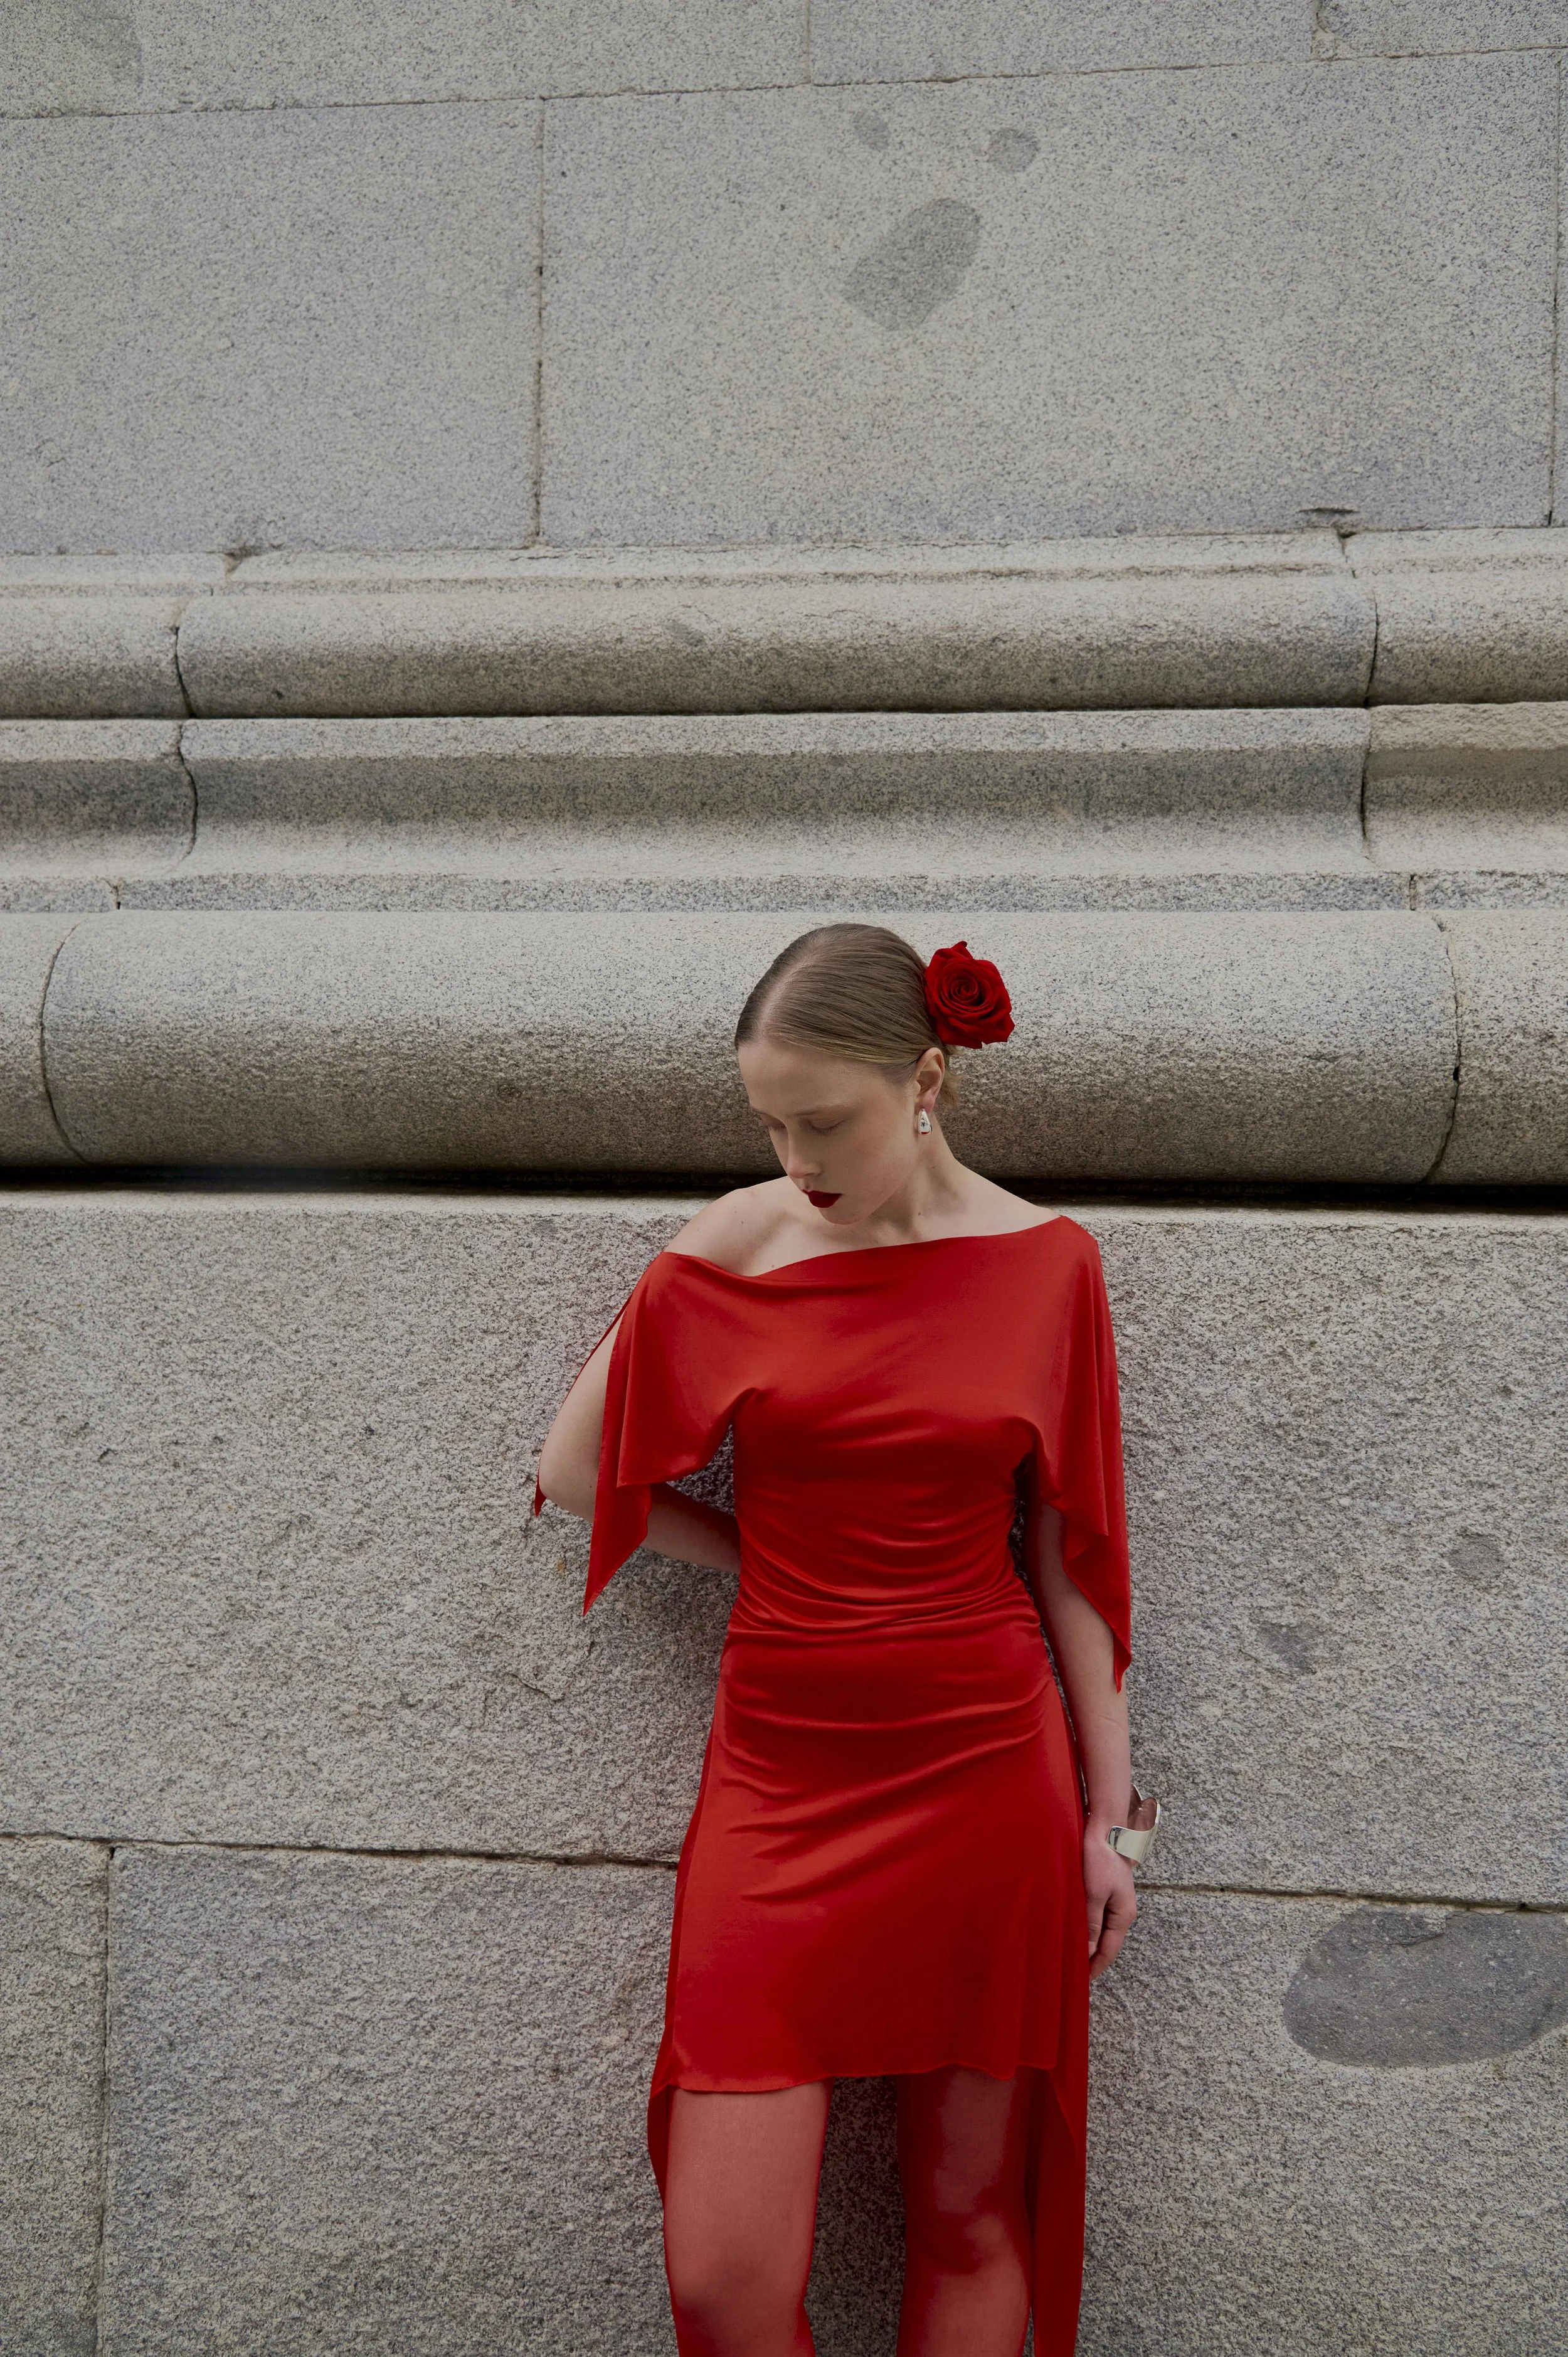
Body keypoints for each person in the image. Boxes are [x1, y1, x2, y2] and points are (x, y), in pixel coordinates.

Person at [536, 921, 1145, 2357]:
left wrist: (1106, 1816)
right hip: (782, 1777)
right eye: (766, 1119)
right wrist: (772, 1559)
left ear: (926, 1080)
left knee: (966, 2216)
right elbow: (577, 1475)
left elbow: (1070, 1559)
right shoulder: (736, 1242)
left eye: (824, 1120)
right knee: (722, 2282)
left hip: (988, 1769)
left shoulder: (1049, 1266)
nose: (794, 1154)